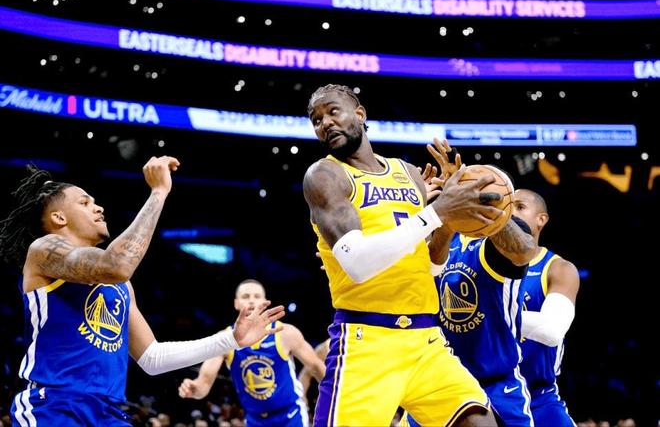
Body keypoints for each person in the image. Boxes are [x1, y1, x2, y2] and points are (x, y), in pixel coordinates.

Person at [0, 159, 285, 426]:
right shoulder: (43, 250)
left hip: (108, 412)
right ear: (59, 217)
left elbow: (152, 357)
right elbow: (116, 265)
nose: (99, 208)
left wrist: (231, 339)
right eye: (85, 203)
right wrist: (158, 192)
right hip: (53, 406)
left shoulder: (121, 286)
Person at [304, 84, 501, 426]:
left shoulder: (409, 174)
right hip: (367, 341)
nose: (325, 123)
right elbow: (357, 264)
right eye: (317, 120)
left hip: (425, 339)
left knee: (480, 422)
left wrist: (447, 223)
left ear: (360, 114)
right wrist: (437, 211)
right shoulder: (325, 175)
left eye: (333, 112)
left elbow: (431, 266)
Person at [402, 139, 540, 426]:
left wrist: (484, 205)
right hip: (437, 382)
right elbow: (423, 268)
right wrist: (448, 212)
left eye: (480, 191)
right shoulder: (438, 236)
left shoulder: (499, 240)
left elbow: (524, 251)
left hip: (496, 384)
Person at [178, 279, 326, 427]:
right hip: (254, 419)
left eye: (257, 296)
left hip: (291, 415)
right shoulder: (224, 339)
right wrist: (195, 389)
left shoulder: (285, 333)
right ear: (236, 303)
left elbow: (317, 367)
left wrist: (335, 396)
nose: (251, 301)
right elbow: (203, 383)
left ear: (265, 302)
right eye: (245, 296)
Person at [514, 188, 580, 426]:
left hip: (537, 397)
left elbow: (552, 329)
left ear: (541, 219)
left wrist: (492, 316)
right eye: (506, 206)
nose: (510, 213)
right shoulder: (475, 259)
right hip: (479, 389)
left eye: (520, 207)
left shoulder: (558, 269)